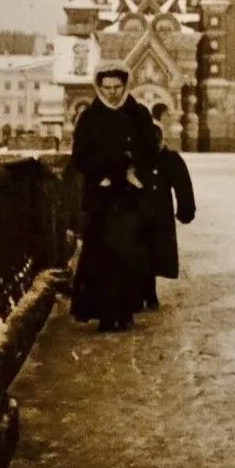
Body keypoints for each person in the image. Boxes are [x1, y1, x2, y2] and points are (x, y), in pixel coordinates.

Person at [70, 63, 159, 332]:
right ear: (99, 87)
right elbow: (80, 157)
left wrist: (136, 170)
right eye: (106, 88)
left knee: (128, 255)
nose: (111, 93)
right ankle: (104, 313)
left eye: (116, 87)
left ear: (125, 86)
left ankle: (124, 309)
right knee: (101, 257)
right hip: (102, 198)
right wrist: (106, 171)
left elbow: (150, 151)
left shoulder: (138, 114)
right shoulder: (90, 118)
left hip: (130, 197)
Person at [142, 117, 196, 310]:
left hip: (158, 216)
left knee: (153, 253)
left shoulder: (170, 159)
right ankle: (141, 293)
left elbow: (183, 186)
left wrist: (186, 210)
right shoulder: (135, 159)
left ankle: (149, 293)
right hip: (134, 214)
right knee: (138, 254)